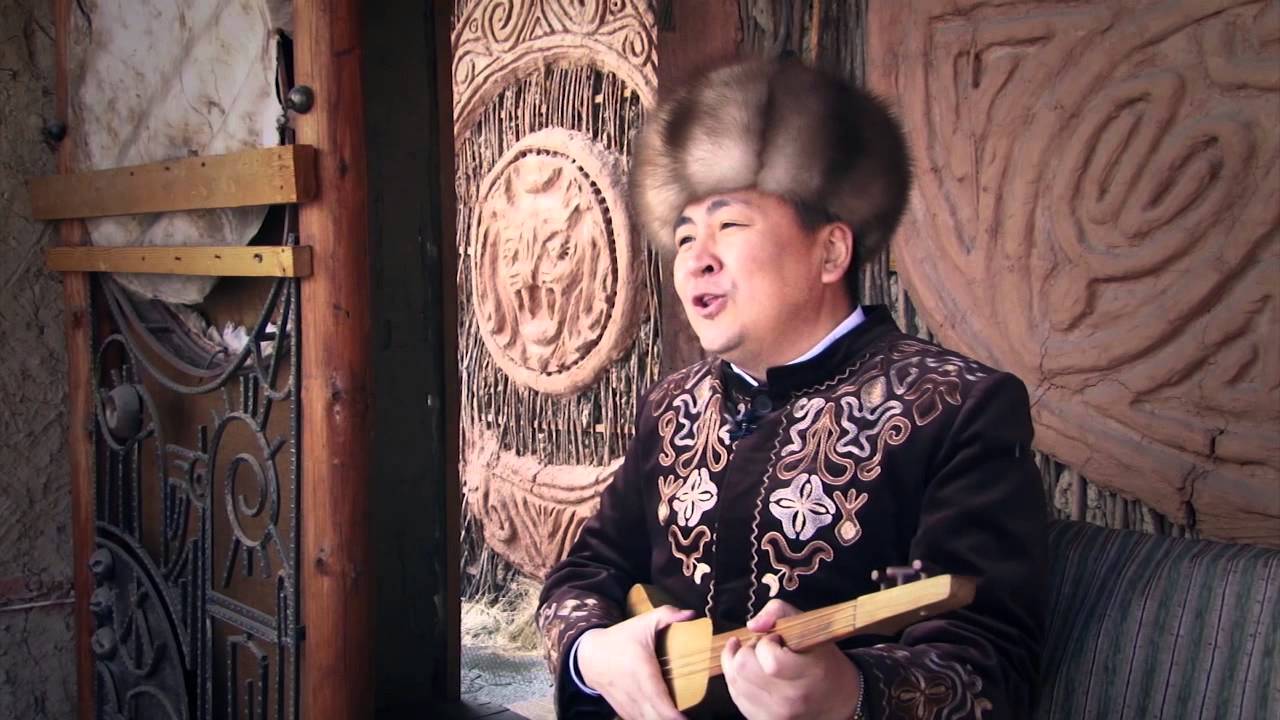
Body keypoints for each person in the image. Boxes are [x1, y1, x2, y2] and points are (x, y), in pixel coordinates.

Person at [537, 57, 1047, 720]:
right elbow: (584, 573)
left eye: (729, 225)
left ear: (830, 252)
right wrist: (591, 653)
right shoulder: (672, 406)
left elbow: (990, 665)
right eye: (684, 237)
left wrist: (850, 692)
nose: (696, 258)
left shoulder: (955, 408)